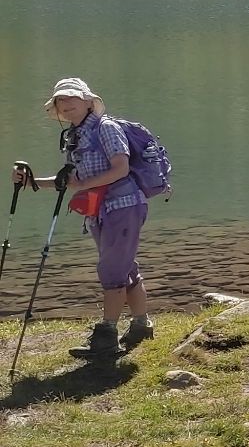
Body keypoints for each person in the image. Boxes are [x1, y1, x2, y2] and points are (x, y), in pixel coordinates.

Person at [10, 78, 152, 358]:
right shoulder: (75, 135)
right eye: (60, 100)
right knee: (124, 267)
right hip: (102, 210)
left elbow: (121, 169)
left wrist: (83, 184)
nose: (66, 103)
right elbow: (71, 179)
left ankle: (106, 339)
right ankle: (141, 326)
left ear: (88, 101)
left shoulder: (106, 128)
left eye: (71, 97)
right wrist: (32, 182)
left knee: (112, 271)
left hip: (123, 205)